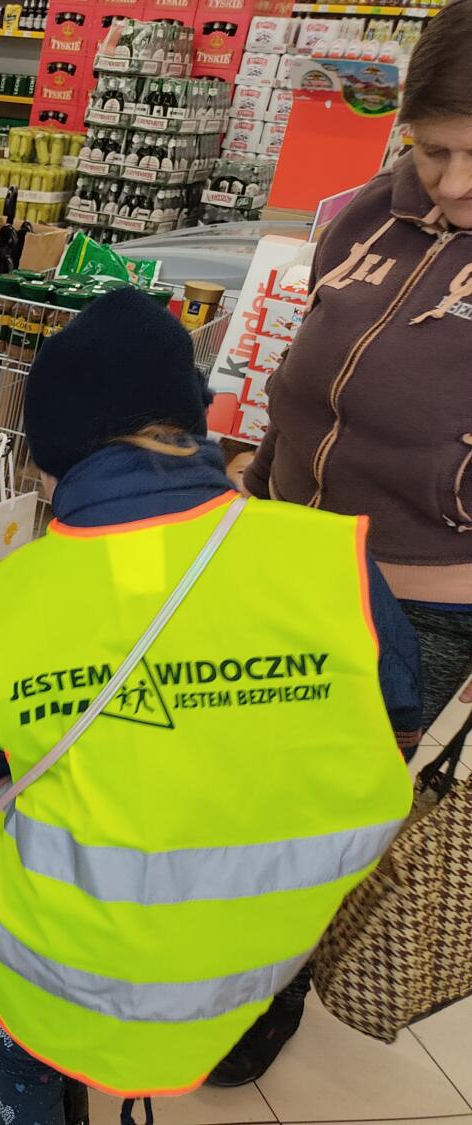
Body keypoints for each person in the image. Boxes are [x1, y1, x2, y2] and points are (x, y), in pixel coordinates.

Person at [0, 288, 420, 1125]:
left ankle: (30, 1105)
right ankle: (212, 1055)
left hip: (58, 964)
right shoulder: (332, 564)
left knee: (27, 1038)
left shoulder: (10, 601)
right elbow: (393, 729)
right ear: (190, 424)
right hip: (252, 955)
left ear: (55, 451)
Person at [240, 0, 472, 747]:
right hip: (291, 559)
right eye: (432, 150)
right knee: (258, 769)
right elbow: (307, 371)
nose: (453, 183)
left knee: (366, 799)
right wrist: (255, 495)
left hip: (430, 607)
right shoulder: (372, 212)